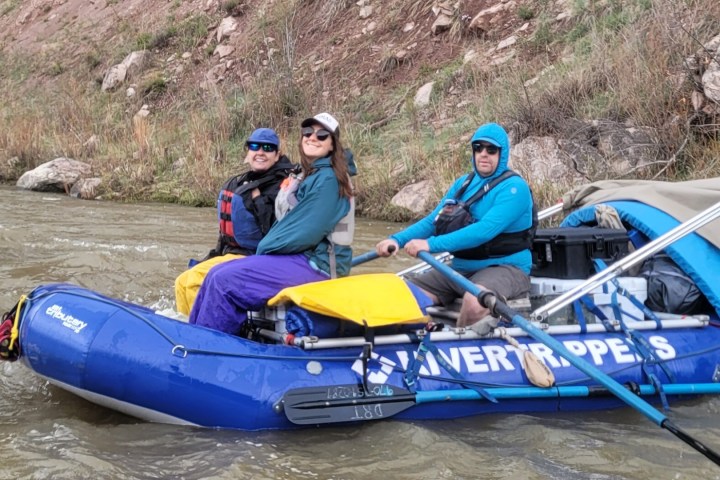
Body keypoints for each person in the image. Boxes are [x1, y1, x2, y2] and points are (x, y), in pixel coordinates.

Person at [189, 113, 356, 335]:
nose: (312, 137)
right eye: (308, 132)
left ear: (333, 144)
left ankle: (207, 348)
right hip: (303, 258)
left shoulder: (328, 179)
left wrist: (263, 251)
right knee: (215, 273)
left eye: (322, 134)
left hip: (319, 264)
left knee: (224, 280)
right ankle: (193, 338)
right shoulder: (311, 174)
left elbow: (305, 232)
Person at [376, 122, 534, 328]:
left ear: (501, 154)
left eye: (491, 149)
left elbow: (483, 231)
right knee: (403, 294)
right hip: (461, 268)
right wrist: (397, 239)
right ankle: (419, 339)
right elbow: (433, 222)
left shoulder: (515, 189)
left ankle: (457, 345)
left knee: (474, 301)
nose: (483, 154)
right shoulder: (463, 184)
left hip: (506, 267)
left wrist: (430, 245)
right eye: (478, 148)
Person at [174, 128, 294, 316]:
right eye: (255, 146)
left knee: (195, 281)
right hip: (232, 253)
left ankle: (203, 331)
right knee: (182, 282)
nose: (260, 152)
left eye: (268, 148)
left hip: (255, 257)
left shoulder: (283, 186)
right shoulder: (242, 182)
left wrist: (258, 200)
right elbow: (227, 231)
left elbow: (275, 231)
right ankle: (184, 327)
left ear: (277, 155)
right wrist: (214, 255)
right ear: (248, 151)